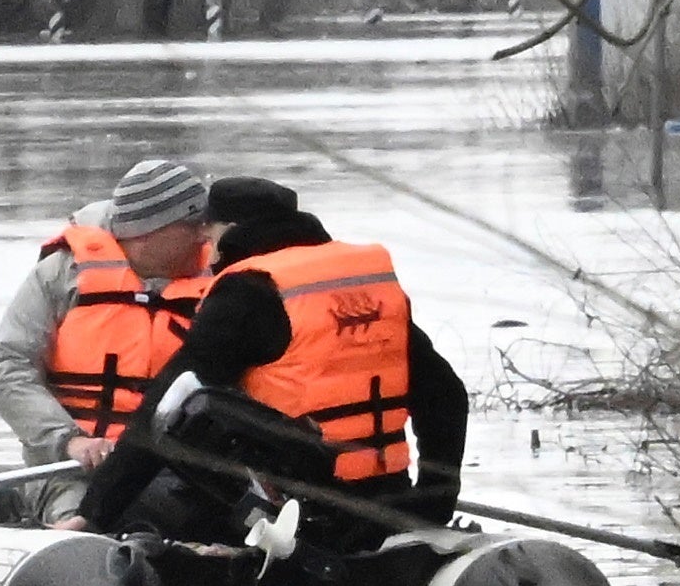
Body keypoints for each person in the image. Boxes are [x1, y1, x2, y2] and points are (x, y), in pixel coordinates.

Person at [78, 175, 468, 546]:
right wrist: (433, 500)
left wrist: (95, 512)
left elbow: (165, 406)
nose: (206, 248)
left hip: (297, 518)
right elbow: (446, 395)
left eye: (209, 234)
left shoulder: (248, 291)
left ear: (231, 231)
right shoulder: (364, 282)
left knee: (156, 487)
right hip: (386, 502)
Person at [0, 153, 217, 516]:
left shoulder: (221, 279)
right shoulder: (60, 275)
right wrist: (69, 441)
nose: (204, 234)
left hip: (183, 471)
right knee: (79, 520)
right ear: (147, 232)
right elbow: (9, 369)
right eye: (192, 225)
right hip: (74, 469)